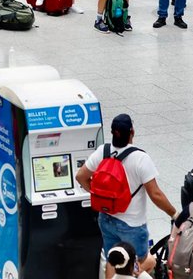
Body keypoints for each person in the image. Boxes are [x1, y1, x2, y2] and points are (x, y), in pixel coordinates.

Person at [75, 114, 176, 276]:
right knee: (146, 262)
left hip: (106, 218)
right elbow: (155, 194)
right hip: (132, 225)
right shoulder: (140, 158)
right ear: (132, 133)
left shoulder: (103, 152)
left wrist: (96, 194)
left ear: (112, 133)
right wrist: (173, 213)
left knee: (113, 258)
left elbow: (80, 176)